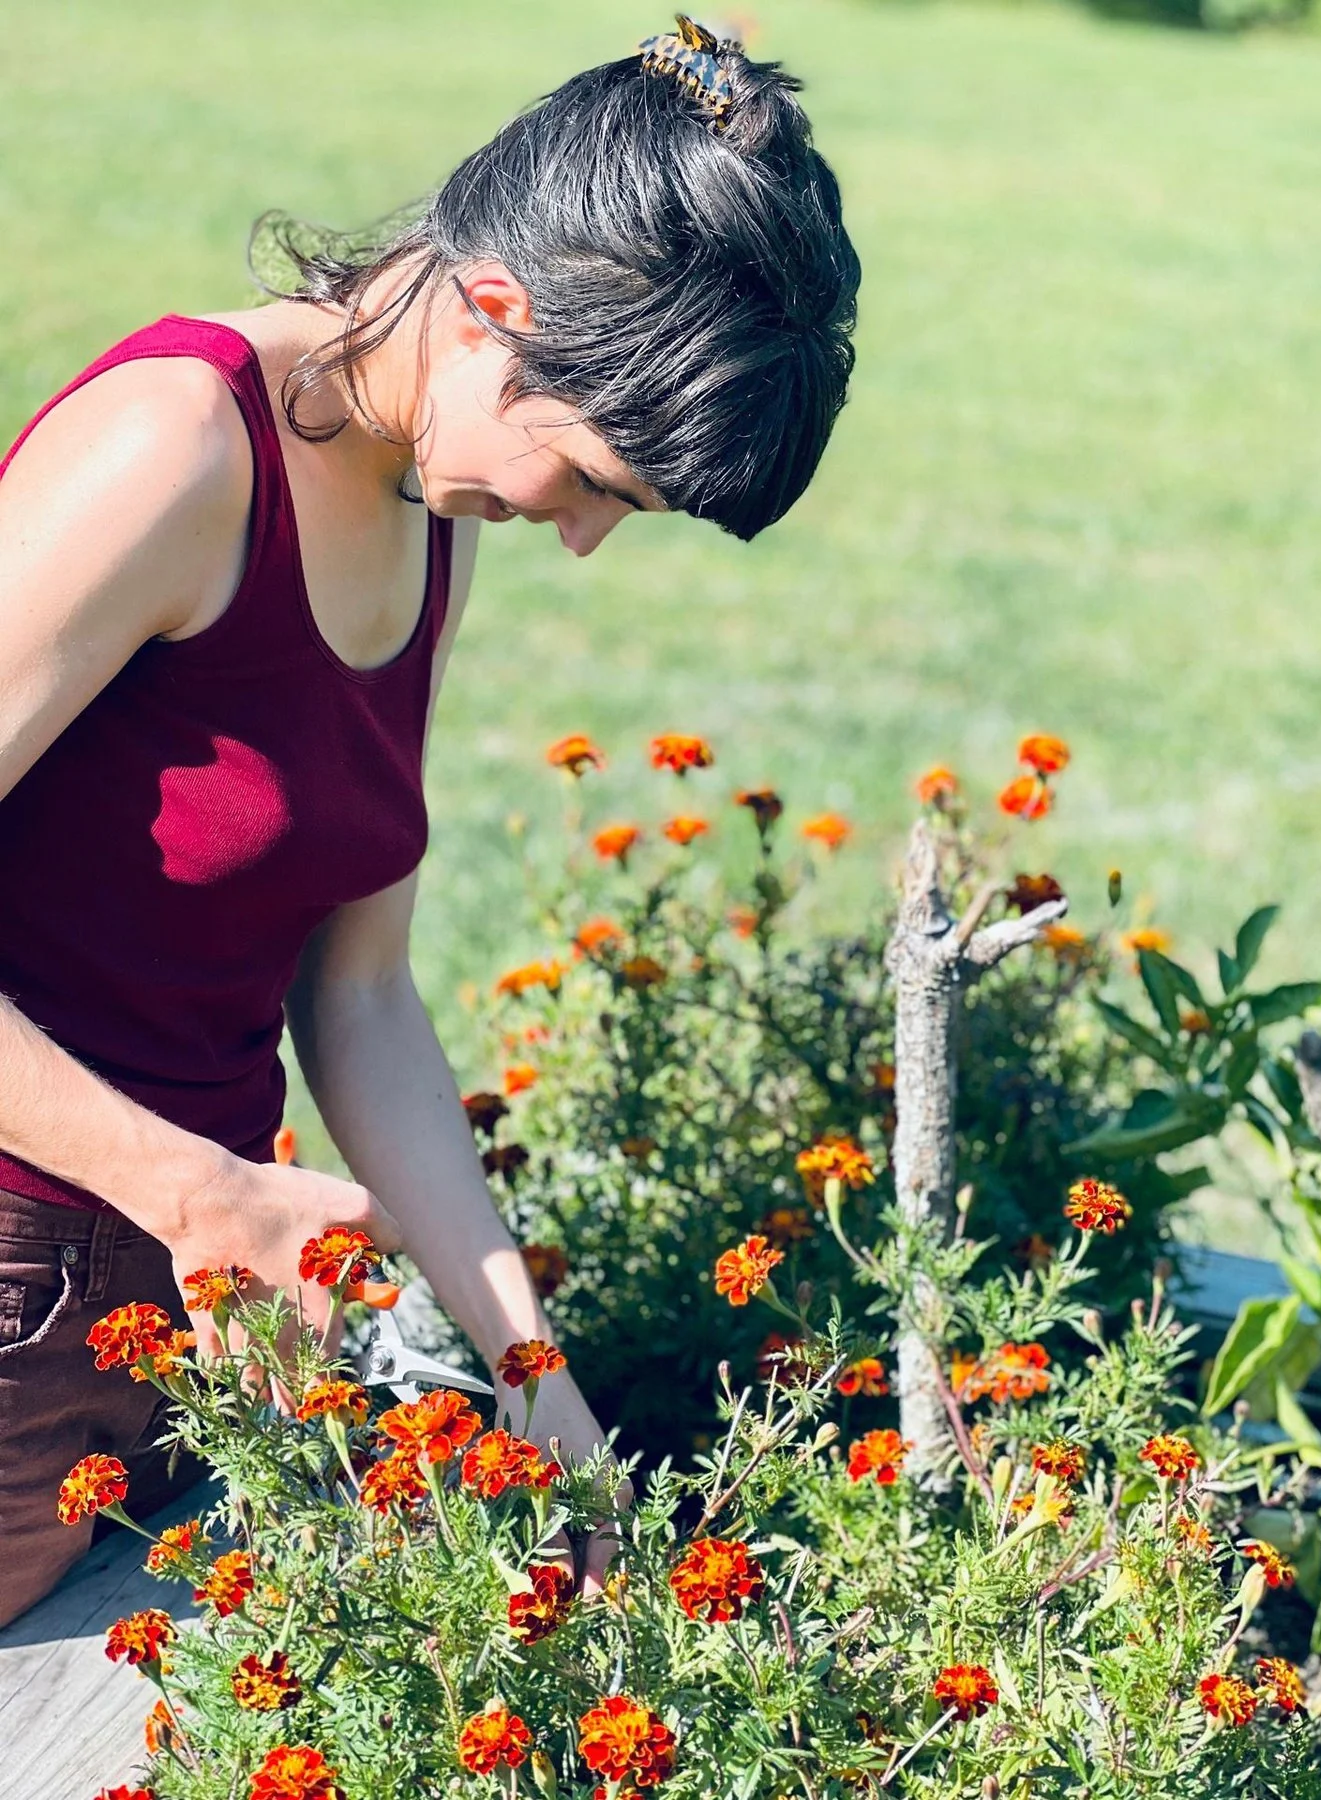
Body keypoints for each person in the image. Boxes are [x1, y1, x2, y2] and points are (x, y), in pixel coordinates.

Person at [0, 17, 859, 1628]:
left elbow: (364, 998)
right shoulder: (178, 448)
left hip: (197, 1289)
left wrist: (543, 1394)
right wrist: (198, 1189)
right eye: (598, 479)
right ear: (493, 315)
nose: (586, 541)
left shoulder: (427, 515)